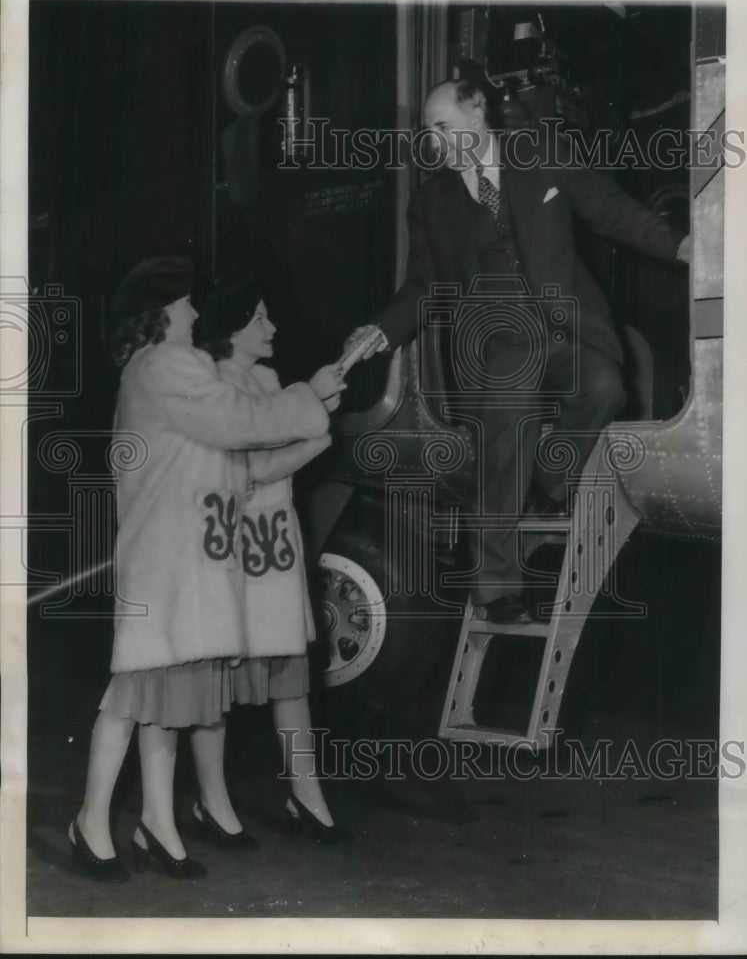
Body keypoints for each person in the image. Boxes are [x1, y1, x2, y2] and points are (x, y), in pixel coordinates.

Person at [346, 79, 689, 626]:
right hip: (498, 343)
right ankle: (496, 588)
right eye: (427, 131)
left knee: (605, 388)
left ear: (477, 110)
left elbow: (612, 211)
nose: (433, 141)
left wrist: (681, 245)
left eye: (442, 125)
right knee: (507, 428)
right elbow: (422, 285)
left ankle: (548, 484)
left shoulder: (541, 155)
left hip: (566, 332)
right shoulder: (431, 200)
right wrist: (381, 331)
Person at [69, 255, 345, 881]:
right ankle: (92, 821)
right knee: (136, 690)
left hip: (185, 555)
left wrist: (302, 425)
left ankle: (157, 823)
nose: (198, 313)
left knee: (168, 690)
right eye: (188, 304)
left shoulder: (155, 370)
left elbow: (231, 455)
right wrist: (311, 399)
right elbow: (240, 422)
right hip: (167, 556)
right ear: (163, 313)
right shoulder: (168, 365)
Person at [194, 279, 352, 845]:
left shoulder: (265, 380)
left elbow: (276, 446)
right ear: (230, 328)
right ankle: (211, 801)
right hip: (231, 546)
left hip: (274, 545)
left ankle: (306, 792)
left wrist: (313, 411)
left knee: (290, 674)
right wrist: (315, 431)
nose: (272, 328)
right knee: (217, 676)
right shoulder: (212, 383)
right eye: (259, 318)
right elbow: (251, 467)